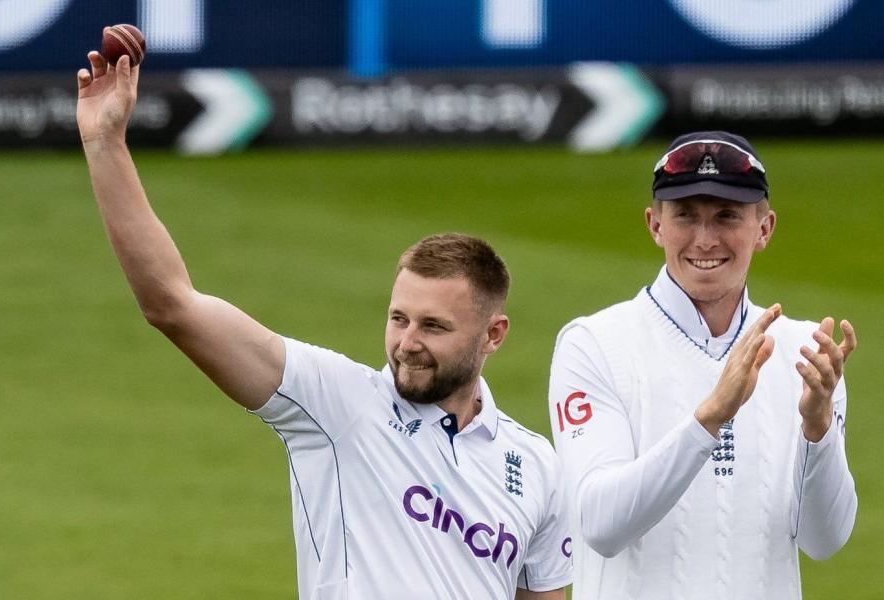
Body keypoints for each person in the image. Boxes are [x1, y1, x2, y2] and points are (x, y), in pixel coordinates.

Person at [76, 52, 572, 599]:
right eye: (398, 318)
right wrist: (105, 145)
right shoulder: (338, 404)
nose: (406, 344)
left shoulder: (536, 465)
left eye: (433, 326)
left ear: (493, 335)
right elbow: (171, 304)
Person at [548, 131, 857, 600]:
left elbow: (825, 539)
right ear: (655, 225)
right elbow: (600, 524)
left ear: (764, 229)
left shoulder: (805, 351)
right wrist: (710, 416)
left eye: (727, 216)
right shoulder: (593, 343)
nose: (705, 239)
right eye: (686, 216)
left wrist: (819, 430)